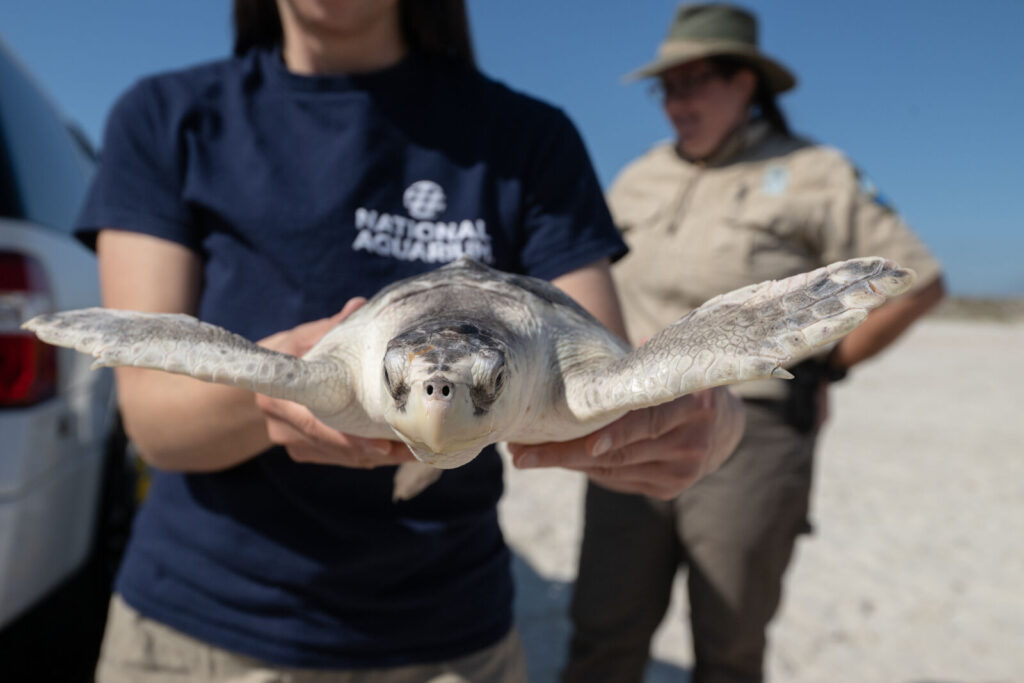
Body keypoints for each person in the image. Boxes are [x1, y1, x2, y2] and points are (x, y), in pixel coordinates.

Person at [81, 1, 745, 681]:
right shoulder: (167, 116)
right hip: (202, 629)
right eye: (416, 388)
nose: (433, 401)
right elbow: (152, 420)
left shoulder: (527, 137)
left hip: (450, 634)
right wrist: (286, 389)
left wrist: (704, 425)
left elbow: (607, 376)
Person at [560, 4, 946, 683]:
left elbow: (919, 281)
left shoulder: (814, 171)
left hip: (756, 432)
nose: (677, 102)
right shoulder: (637, 178)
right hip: (628, 424)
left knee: (730, 639)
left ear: (746, 83)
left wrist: (829, 369)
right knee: (602, 628)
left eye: (695, 81)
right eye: (667, 87)